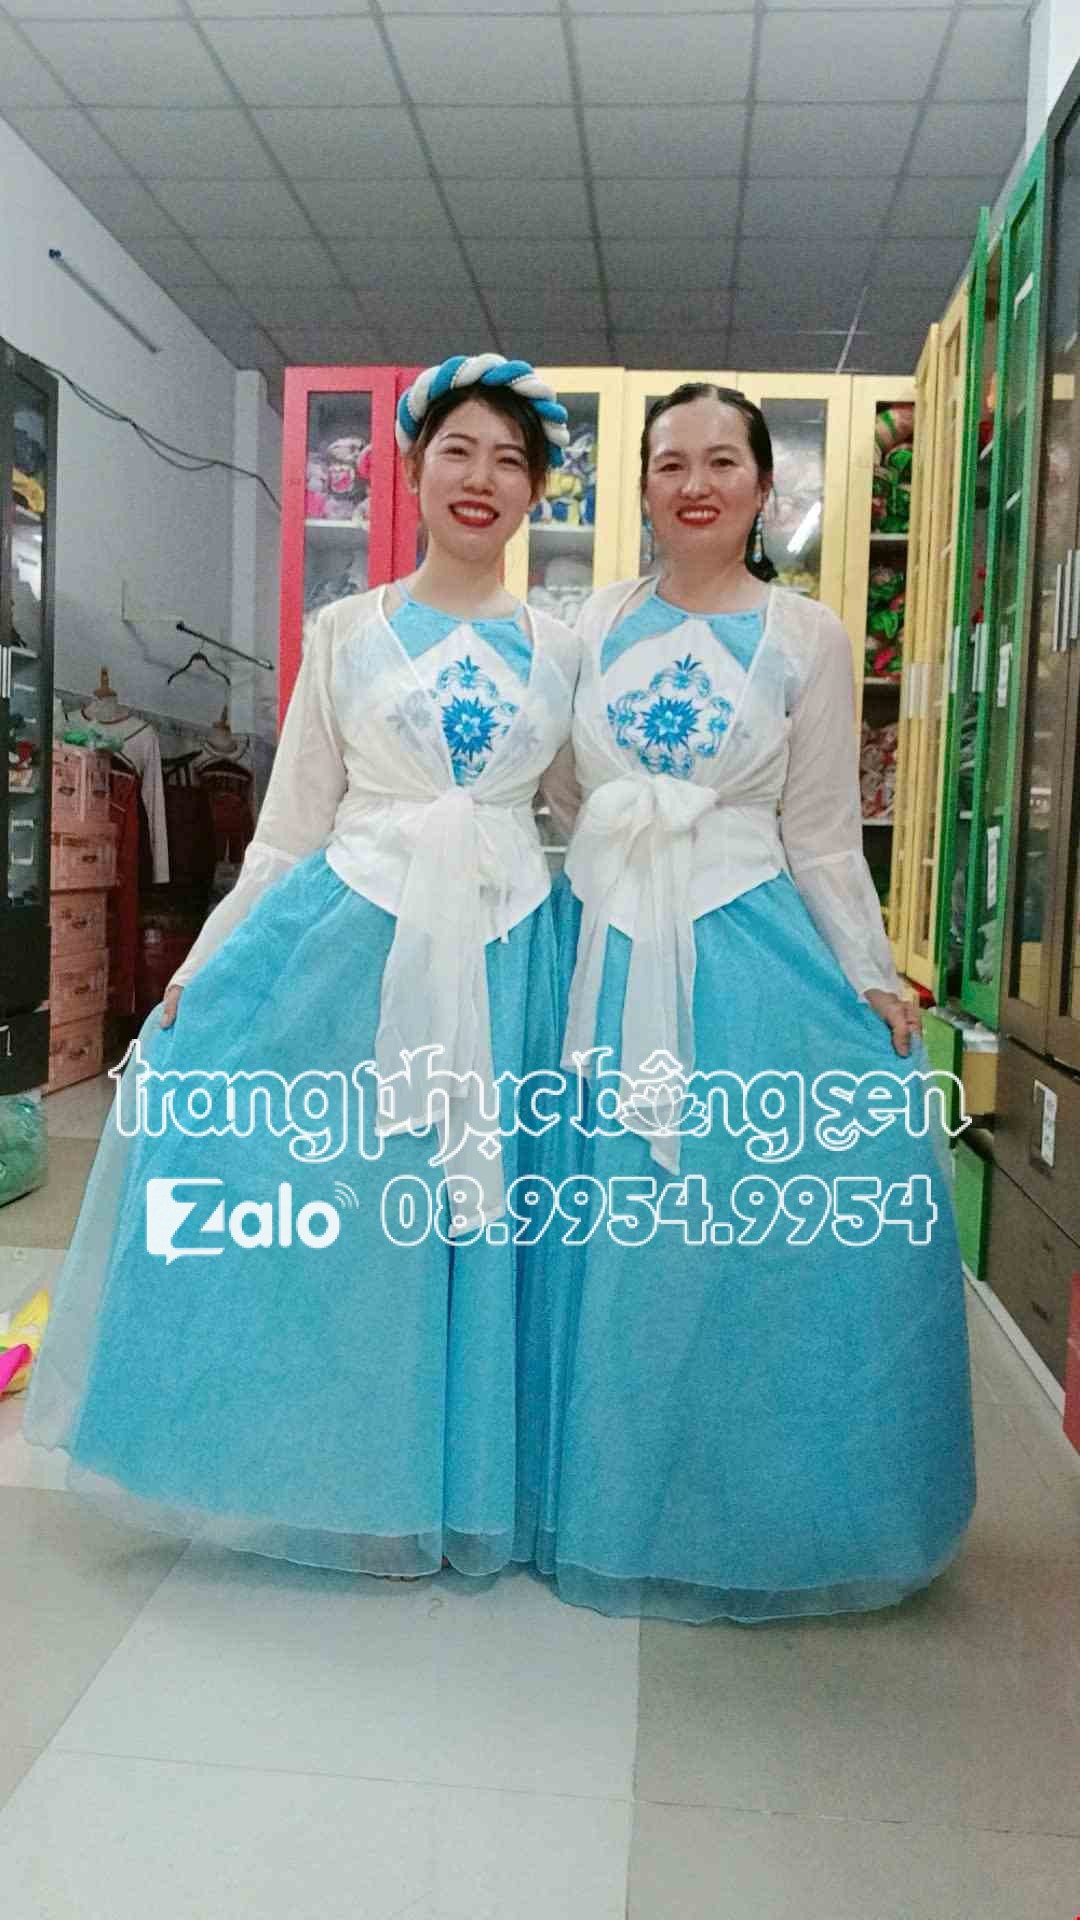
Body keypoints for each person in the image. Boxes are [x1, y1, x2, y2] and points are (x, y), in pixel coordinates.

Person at [25, 353, 579, 1581]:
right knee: (358, 1232)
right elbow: (286, 830)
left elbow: (586, 812)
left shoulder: (565, 649)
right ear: (412, 468)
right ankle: (344, 1476)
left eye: (510, 460)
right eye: (458, 450)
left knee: (480, 1229)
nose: (481, 478)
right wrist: (203, 967)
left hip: (510, 966)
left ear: (536, 491)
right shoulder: (346, 633)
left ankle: (467, 1483)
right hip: (355, 952)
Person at [530, 382, 975, 1624]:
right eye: (671, 462)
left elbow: (823, 830)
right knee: (605, 1234)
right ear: (642, 487)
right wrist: (625, 849)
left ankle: (740, 1498)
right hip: (603, 955)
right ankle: (602, 1494)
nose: (696, 484)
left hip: (746, 958)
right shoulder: (585, 626)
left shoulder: (806, 637)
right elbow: (557, 784)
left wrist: (870, 971)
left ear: (764, 487)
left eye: (723, 461)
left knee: (723, 1242)